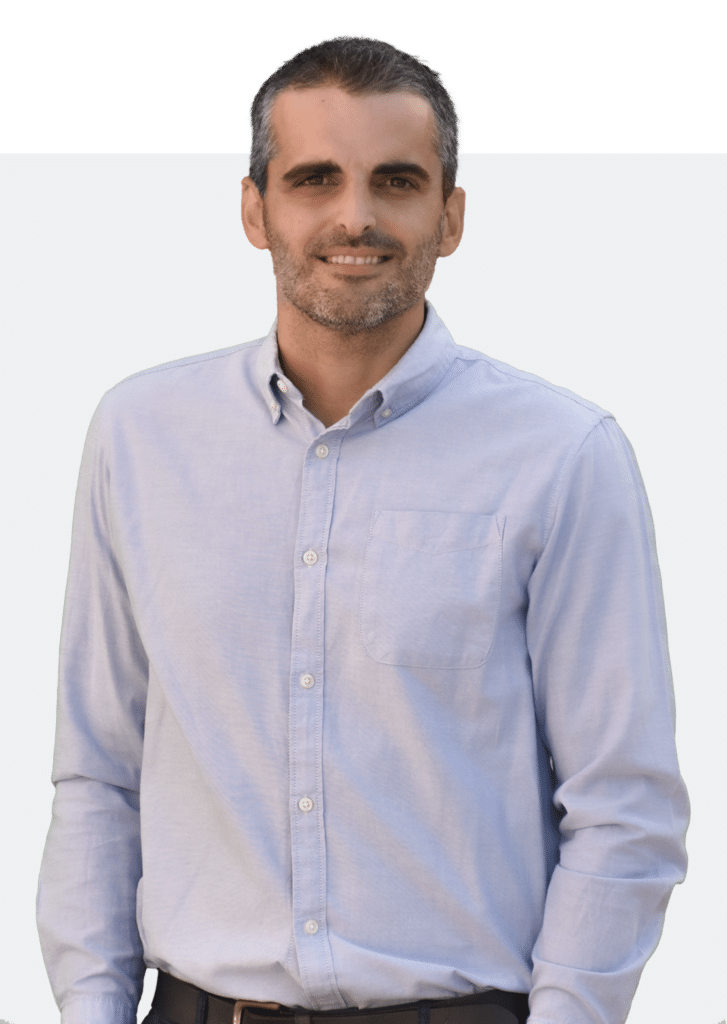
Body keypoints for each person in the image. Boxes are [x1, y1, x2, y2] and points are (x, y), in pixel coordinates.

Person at [37, 32, 689, 1024]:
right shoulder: (141, 435)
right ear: (254, 210)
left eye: (396, 180)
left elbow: (623, 804)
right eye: (313, 180)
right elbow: (99, 769)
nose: (355, 216)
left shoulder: (561, 454)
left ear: (450, 215)